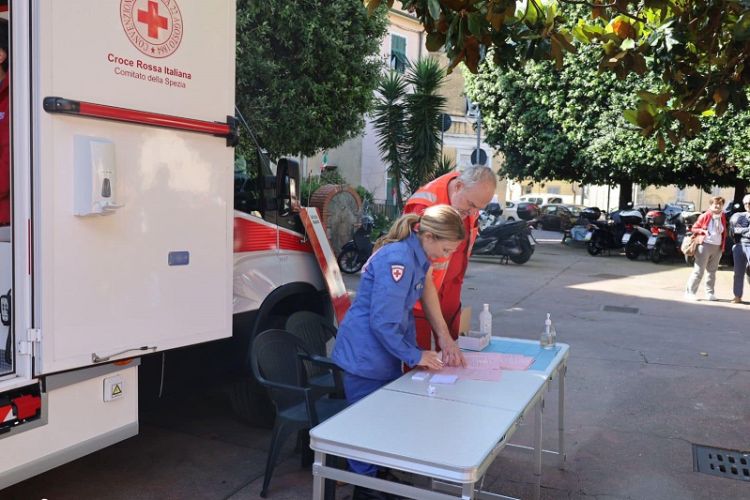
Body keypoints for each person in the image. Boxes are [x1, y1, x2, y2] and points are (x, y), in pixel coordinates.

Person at [331, 205, 466, 500]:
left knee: (381, 420)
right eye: (445, 248)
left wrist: (432, 344)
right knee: (367, 423)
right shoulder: (400, 260)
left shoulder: (416, 255)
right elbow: (383, 322)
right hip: (366, 356)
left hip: (381, 353)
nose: (447, 256)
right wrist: (416, 355)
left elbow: (410, 304)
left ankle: (375, 476)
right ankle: (365, 487)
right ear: (428, 235)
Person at [403, 166, 497, 360]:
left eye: (478, 209)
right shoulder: (423, 208)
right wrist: (442, 335)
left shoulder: (470, 197)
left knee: (452, 356)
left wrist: (446, 335)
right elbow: (422, 277)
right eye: (470, 205)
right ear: (459, 186)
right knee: (418, 361)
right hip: (419, 298)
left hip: (451, 292)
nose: (472, 212)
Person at [685, 196, 726, 301]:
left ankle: (709, 293)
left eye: (720, 204)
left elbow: (723, 232)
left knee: (712, 272)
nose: (717, 206)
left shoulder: (722, 217)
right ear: (710, 205)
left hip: (717, 246)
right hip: (704, 245)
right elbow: (694, 228)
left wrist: (722, 247)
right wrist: (701, 231)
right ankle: (690, 293)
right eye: (715, 204)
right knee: (699, 271)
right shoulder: (705, 215)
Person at [729, 194, 750, 303]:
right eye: (746, 203)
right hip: (739, 246)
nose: (748, 205)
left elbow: (740, 230)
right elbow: (733, 230)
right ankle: (737, 296)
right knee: (738, 272)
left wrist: (742, 230)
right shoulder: (739, 215)